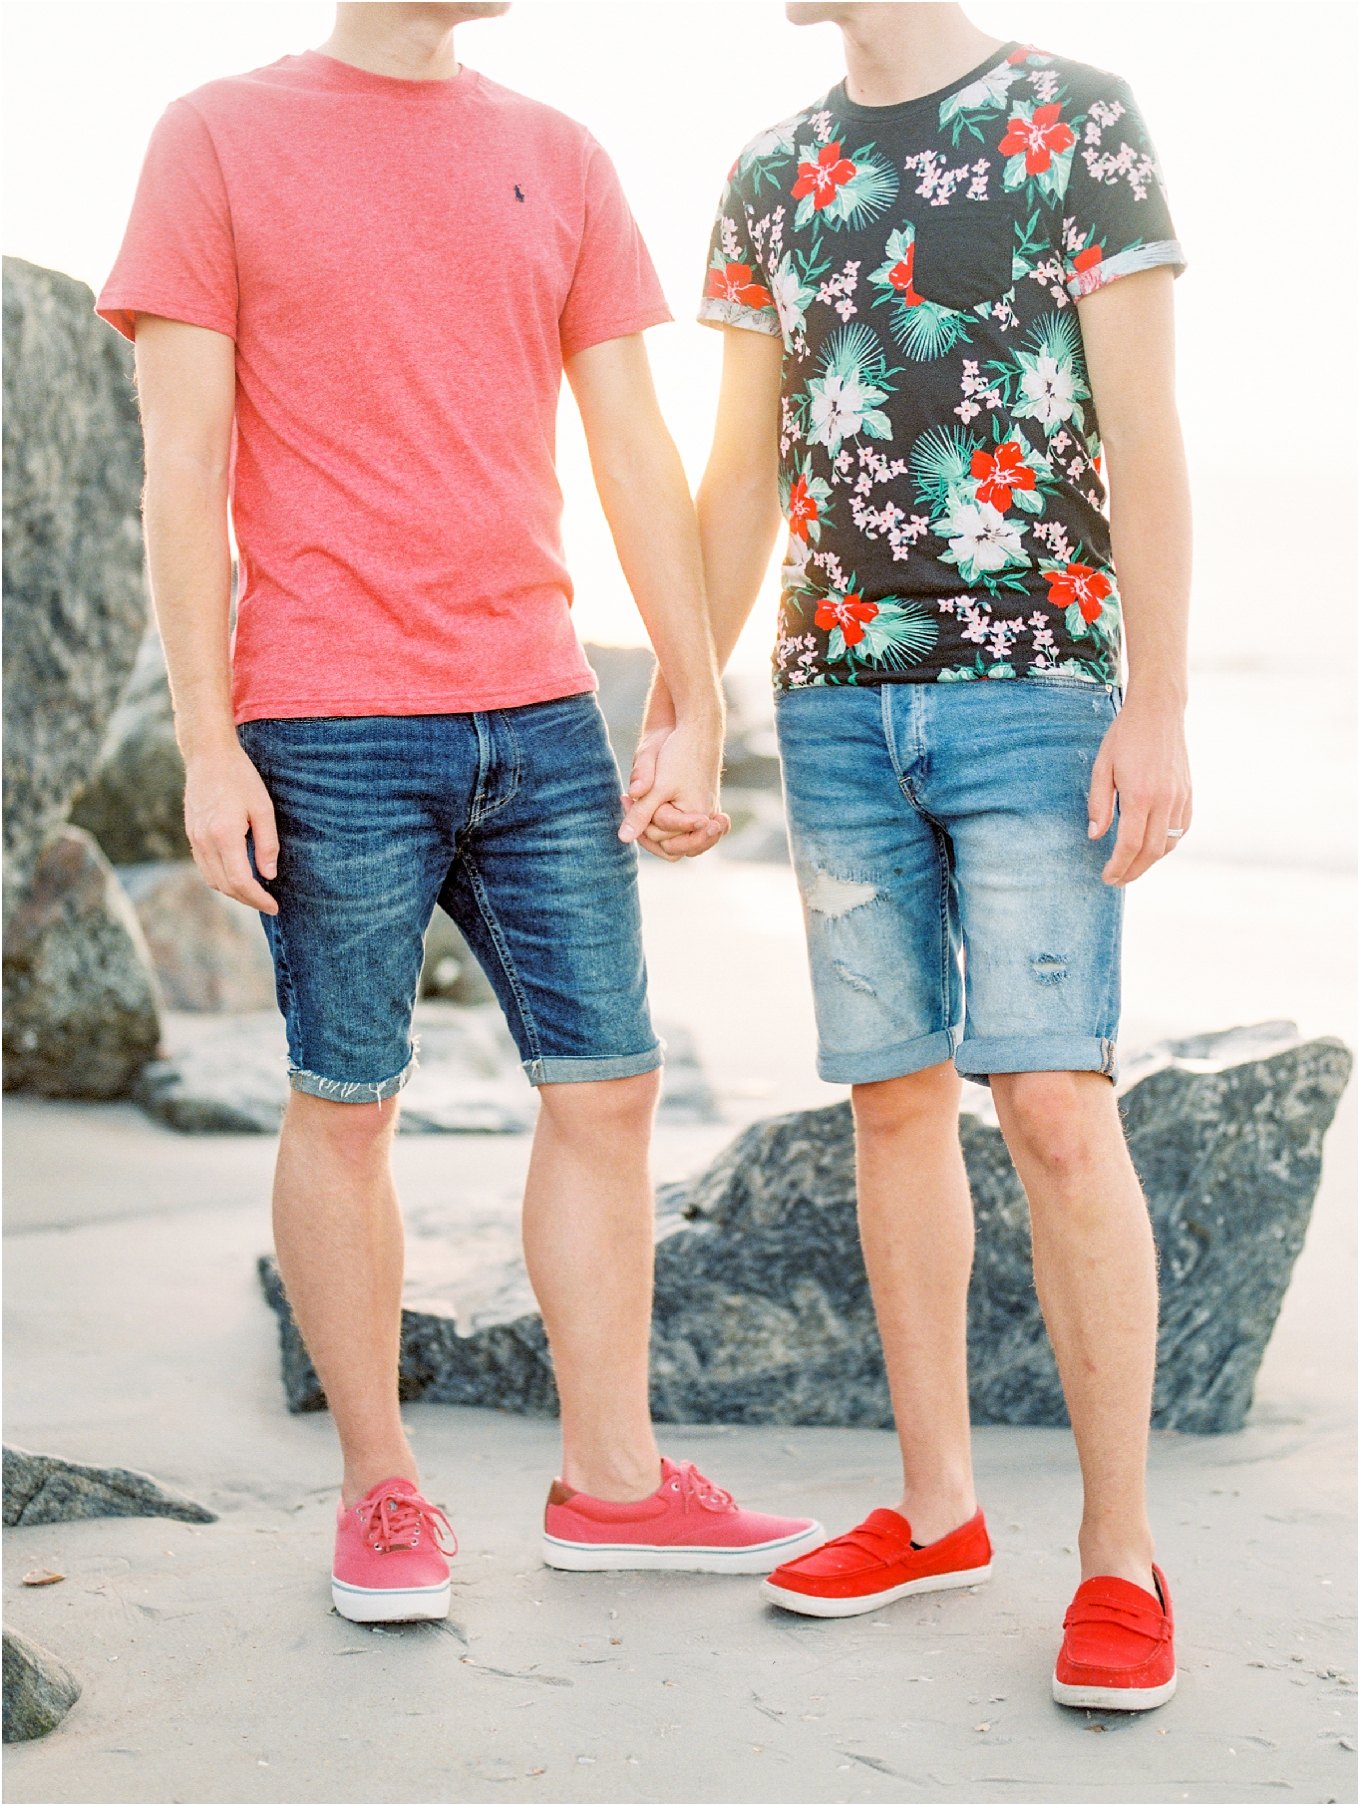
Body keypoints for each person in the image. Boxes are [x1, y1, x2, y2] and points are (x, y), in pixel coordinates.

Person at [96, 0, 824, 1626]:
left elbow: (633, 445)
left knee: (611, 1087)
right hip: (327, 716)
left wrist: (699, 692)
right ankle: (381, 1489)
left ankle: (613, 1481)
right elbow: (182, 460)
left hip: (541, 707)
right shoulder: (214, 135)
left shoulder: (557, 153)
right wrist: (207, 744)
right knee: (347, 1103)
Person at [636, 1, 1190, 1710]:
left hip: (1041, 689)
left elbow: (1147, 438)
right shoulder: (776, 171)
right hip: (834, 703)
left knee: (1051, 1102)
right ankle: (939, 1507)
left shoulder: (1077, 118)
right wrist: (682, 701)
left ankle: (1119, 1556)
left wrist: (1156, 705)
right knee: (892, 1099)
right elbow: (739, 483)